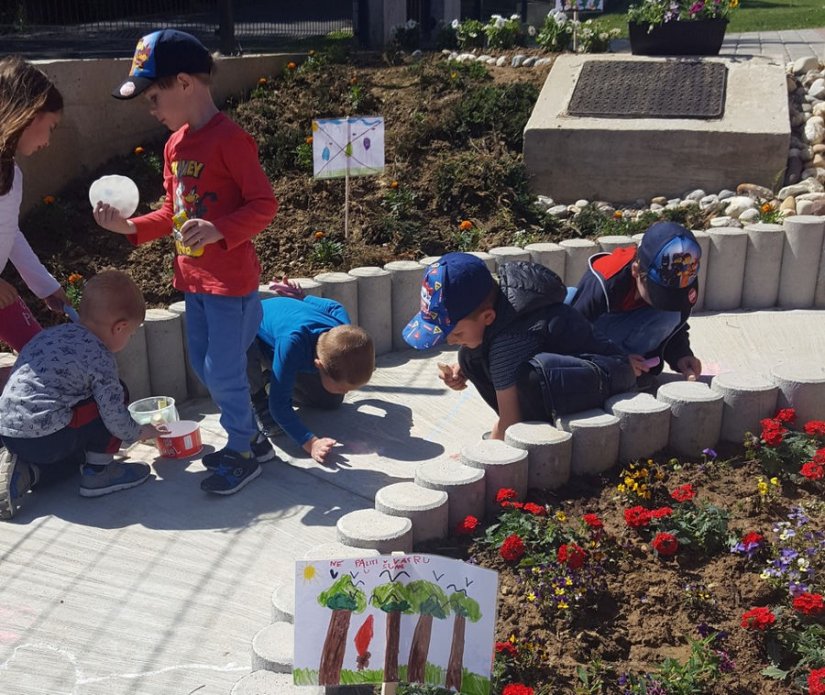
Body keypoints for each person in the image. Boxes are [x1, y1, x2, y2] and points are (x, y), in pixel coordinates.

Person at [93, 30, 278, 495]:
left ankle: (242, 449)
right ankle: (252, 440)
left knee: (224, 370)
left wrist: (221, 230)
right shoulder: (175, 146)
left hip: (230, 285)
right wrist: (129, 227)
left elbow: (264, 204)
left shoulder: (231, 141)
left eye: (155, 97)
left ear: (184, 83)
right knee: (204, 364)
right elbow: (173, 212)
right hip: (193, 280)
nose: (152, 109)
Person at [403, 253, 641, 439]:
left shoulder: (510, 340)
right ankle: (530, 427)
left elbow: (510, 420)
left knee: (532, 375)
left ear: (488, 317)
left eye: (455, 332)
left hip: (610, 374)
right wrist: (462, 366)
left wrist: (488, 452)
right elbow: (477, 351)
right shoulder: (501, 308)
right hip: (576, 372)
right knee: (468, 357)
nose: (450, 340)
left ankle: (535, 435)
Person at [0, 270, 164, 520]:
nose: (128, 339)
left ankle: (26, 473)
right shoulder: (99, 356)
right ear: (119, 327)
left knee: (74, 460)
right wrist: (141, 431)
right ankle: (101, 472)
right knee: (115, 395)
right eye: (130, 334)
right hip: (48, 438)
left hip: (10, 432)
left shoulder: (52, 335)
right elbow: (114, 416)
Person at [247, 284, 375, 465]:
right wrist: (310, 442)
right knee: (241, 343)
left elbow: (334, 306)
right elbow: (279, 406)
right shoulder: (291, 344)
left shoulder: (342, 332)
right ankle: (258, 397)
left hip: (294, 339)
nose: (346, 393)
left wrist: (303, 297)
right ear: (319, 366)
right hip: (258, 333)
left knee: (331, 401)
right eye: (342, 387)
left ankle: (274, 380)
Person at [567, 221, 703, 384]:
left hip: (622, 343)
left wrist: (681, 355)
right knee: (569, 300)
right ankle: (615, 372)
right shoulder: (607, 280)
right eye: (659, 294)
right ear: (636, 270)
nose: (665, 302)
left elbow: (674, 327)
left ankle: (635, 369)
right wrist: (617, 362)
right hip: (593, 338)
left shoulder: (678, 275)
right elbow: (572, 336)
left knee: (671, 316)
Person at [0, 56, 70, 353]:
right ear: (30, 114)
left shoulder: (10, 173)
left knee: (42, 354)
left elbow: (9, 232)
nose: (49, 141)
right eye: (51, 127)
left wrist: (46, 286)